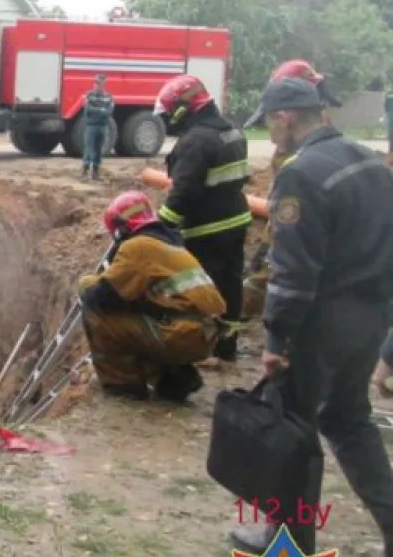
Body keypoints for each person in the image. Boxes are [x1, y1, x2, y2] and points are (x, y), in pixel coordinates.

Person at [227, 77, 393, 555]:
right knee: (349, 421)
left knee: (293, 432)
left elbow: (293, 273)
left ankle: (287, 540)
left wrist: (277, 341)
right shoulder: (369, 161)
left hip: (323, 322)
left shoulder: (301, 174)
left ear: (286, 117)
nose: (272, 136)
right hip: (371, 317)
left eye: (271, 125)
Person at [77, 190, 227, 401]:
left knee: (98, 315)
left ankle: (123, 386)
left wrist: (87, 283)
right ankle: (174, 378)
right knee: (136, 315)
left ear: (120, 227)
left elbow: (103, 297)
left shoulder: (139, 247)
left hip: (182, 333)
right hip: (203, 333)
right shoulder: (169, 243)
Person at [153, 75, 251, 364]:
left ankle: (197, 345)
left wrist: (160, 226)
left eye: (171, 112)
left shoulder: (196, 141)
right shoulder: (233, 131)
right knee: (231, 283)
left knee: (199, 288)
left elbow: (184, 191)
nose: (169, 118)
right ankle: (227, 345)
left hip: (205, 229)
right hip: (236, 220)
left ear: (183, 109)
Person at [242, 60, 343, 318]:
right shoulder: (328, 135)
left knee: (267, 276)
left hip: (301, 234)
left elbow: (289, 218)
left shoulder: (296, 154)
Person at [81, 75, 114, 181]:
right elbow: (87, 109)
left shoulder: (108, 96)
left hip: (102, 126)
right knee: (89, 149)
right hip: (91, 126)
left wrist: (97, 110)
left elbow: (109, 111)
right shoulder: (89, 95)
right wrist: (101, 110)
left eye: (100, 83)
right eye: (96, 83)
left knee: (98, 150)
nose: (98, 85)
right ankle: (85, 172)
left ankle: (95, 173)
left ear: (104, 84)